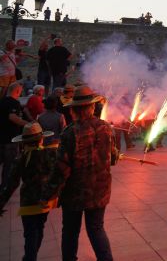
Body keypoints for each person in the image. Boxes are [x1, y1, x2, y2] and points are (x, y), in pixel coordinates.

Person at [40, 85, 118, 261]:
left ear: (74, 109)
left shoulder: (70, 133)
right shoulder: (106, 127)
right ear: (91, 107)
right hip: (100, 189)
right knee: (96, 228)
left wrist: (47, 193)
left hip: (74, 193)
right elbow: (113, 158)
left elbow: (61, 168)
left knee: (70, 231)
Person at [0, 122, 58, 261]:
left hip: (28, 203)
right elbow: (56, 174)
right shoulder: (49, 154)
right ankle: (30, 257)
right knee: (39, 230)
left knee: (30, 234)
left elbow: (12, 184)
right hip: (45, 201)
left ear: (24, 142)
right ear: (41, 139)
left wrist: (1, 203)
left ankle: (29, 257)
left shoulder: (20, 159)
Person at [0, 82, 29, 190]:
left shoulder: (1, 101)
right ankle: (4, 190)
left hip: (1, 138)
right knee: (9, 166)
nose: (20, 94)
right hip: (10, 139)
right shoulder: (13, 103)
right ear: (17, 91)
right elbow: (13, 117)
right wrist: (29, 124)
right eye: (20, 92)